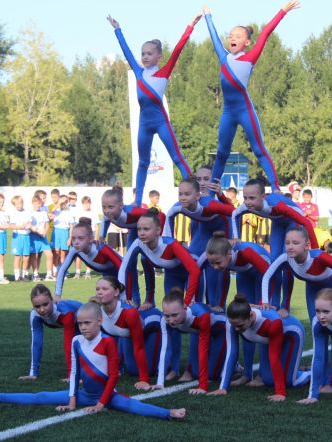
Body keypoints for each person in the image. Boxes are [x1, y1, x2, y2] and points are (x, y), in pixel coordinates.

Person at [0, 302, 186, 420]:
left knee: (132, 405)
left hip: (107, 396)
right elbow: (74, 373)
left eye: (88, 323)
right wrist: (72, 401)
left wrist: (101, 404)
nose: (83, 327)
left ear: (99, 322)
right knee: (40, 397)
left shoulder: (108, 342)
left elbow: (112, 376)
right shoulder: (76, 341)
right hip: (83, 395)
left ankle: (169, 413)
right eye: (80, 323)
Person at [203, 1, 301, 193]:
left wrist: (283, 11)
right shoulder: (224, 57)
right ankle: (211, 191)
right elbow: (214, 37)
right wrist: (208, 17)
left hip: (244, 110)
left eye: (238, 36)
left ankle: (275, 188)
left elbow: (265, 32)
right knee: (221, 153)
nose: (232, 38)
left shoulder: (250, 56)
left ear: (246, 43)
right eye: (230, 35)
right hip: (228, 113)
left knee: (259, 149)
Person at [107, 14, 199, 206]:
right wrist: (118, 30)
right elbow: (126, 52)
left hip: (161, 122)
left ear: (158, 56)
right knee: (143, 163)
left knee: (177, 157)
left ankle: (194, 192)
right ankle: (138, 199)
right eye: (143, 54)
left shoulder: (163, 72)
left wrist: (190, 26)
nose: (145, 57)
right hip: (145, 124)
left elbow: (178, 49)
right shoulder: (139, 73)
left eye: (149, 53)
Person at [201, 232, 279, 386]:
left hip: (265, 276)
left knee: (262, 324)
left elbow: (267, 274)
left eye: (217, 263)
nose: (215, 267)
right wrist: (214, 302)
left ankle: (262, 375)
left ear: (229, 253)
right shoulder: (220, 254)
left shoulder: (245, 252)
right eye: (212, 264)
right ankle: (247, 373)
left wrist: (264, 300)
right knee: (244, 324)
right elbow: (202, 271)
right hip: (245, 274)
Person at [209, 294, 310, 401]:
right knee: (268, 380)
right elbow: (231, 353)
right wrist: (223, 388)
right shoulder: (233, 322)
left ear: (251, 316)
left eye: (240, 325)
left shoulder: (272, 322)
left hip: (292, 335)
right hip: (269, 338)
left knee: (290, 382)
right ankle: (296, 369)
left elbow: (274, 357)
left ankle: (310, 373)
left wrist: (280, 393)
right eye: (233, 325)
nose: (236, 329)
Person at [261, 226, 332, 321]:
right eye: (287, 243)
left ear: (307, 245)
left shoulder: (319, 256)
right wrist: (265, 301)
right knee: (316, 322)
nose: (290, 246)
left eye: (295, 243)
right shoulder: (285, 258)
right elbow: (267, 276)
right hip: (312, 288)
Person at [120, 209, 201, 307]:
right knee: (171, 309)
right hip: (172, 274)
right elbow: (124, 268)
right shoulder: (138, 243)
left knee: (193, 310)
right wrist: (124, 299)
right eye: (139, 229)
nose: (141, 233)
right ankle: (150, 301)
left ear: (158, 230)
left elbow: (194, 270)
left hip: (192, 271)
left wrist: (187, 302)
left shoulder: (170, 244)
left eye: (146, 229)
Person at [93, 276, 163, 390]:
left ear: (116, 292)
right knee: (132, 371)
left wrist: (144, 379)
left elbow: (139, 347)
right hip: (127, 334)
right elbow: (101, 345)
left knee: (149, 371)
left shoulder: (128, 313)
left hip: (153, 327)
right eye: (97, 289)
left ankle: (169, 367)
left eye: (104, 289)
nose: (100, 292)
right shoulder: (97, 311)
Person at [55, 218, 141, 305]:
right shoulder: (75, 250)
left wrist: (127, 296)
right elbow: (62, 270)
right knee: (110, 305)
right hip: (108, 275)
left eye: (80, 238)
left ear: (90, 239)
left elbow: (124, 269)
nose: (76, 242)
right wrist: (57, 294)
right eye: (73, 239)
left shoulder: (102, 249)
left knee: (130, 303)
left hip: (127, 272)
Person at [158, 288, 226, 392]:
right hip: (198, 331)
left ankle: (231, 363)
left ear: (184, 308)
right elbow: (165, 349)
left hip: (220, 331)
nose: (170, 320)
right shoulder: (164, 320)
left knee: (212, 375)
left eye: (175, 315)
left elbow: (203, 349)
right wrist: (160, 382)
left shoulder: (200, 316)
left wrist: (202, 387)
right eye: (167, 315)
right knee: (195, 373)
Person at [18, 284, 82, 381]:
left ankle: (76, 374)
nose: (42, 309)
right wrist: (33, 373)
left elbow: (68, 344)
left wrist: (71, 376)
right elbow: (36, 343)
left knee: (80, 347)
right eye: (37, 306)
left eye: (45, 304)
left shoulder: (65, 312)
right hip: (73, 321)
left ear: (52, 300)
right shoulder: (34, 315)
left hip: (84, 319)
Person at [29, 194, 54, 282]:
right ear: (32, 203)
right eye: (36, 204)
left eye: (39, 204)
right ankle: (35, 274)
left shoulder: (43, 213)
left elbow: (47, 225)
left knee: (50, 255)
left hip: (43, 237)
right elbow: (29, 226)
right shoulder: (30, 213)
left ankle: (49, 275)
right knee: (35, 256)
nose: (37, 205)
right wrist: (36, 231)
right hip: (34, 237)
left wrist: (44, 232)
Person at [9, 195, 33, 281]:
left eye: (20, 203)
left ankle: (25, 275)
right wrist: (21, 226)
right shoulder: (13, 213)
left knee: (26, 257)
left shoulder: (28, 212)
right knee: (17, 256)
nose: (19, 205)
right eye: (16, 204)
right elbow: (12, 226)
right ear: (14, 205)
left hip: (26, 236)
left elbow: (29, 223)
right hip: (17, 236)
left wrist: (27, 225)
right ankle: (17, 276)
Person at [74, 195, 98, 279]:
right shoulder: (79, 213)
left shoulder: (94, 213)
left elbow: (96, 226)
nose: (86, 205)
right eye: (84, 204)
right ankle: (77, 272)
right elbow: (76, 226)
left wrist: (96, 238)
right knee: (79, 254)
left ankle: (88, 272)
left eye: (88, 203)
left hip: (90, 235)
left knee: (89, 253)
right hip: (81, 236)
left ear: (90, 203)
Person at [51, 196, 74, 273]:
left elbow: (71, 227)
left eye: (65, 203)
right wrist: (59, 202)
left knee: (63, 253)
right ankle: (55, 271)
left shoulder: (69, 212)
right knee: (56, 252)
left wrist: (70, 238)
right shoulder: (57, 210)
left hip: (65, 232)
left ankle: (62, 271)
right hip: (56, 232)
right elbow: (52, 210)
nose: (63, 204)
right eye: (62, 203)